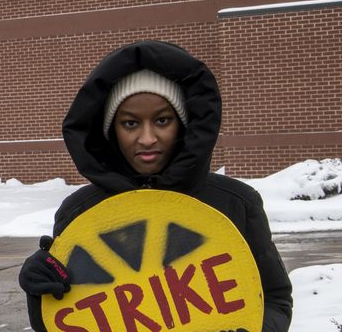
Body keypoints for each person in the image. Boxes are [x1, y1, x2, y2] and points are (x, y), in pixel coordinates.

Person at [17, 40, 293, 331]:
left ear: (183, 124)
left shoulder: (236, 203)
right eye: (130, 123)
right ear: (111, 131)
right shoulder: (80, 212)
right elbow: (66, 317)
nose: (147, 139)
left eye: (162, 120)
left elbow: (275, 299)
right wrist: (40, 291)